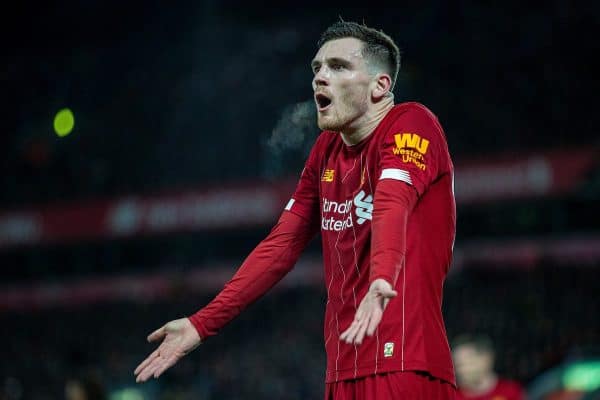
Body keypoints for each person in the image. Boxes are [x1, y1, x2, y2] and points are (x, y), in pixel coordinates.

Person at [134, 20, 457, 399]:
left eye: (338, 66)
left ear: (380, 87)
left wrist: (381, 277)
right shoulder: (326, 151)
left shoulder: (412, 123)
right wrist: (201, 324)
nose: (320, 77)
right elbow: (281, 245)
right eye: (317, 68)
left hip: (404, 362)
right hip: (341, 371)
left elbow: (392, 202)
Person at [452, 334, 526, 400]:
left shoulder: (511, 391)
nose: (462, 370)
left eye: (469, 363)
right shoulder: (451, 396)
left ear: (486, 359)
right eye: (458, 365)